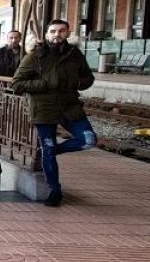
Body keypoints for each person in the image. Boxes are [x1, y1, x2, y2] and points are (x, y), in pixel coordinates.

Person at [12, 19, 96, 207]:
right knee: (48, 147)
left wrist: (78, 82)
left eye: (61, 31)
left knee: (88, 140)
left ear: (68, 33)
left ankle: (49, 152)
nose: (57, 34)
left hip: (69, 106)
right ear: (47, 34)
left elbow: (88, 77)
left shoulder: (74, 54)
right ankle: (54, 190)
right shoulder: (35, 55)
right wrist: (43, 84)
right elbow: (16, 83)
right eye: (53, 31)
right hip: (44, 108)